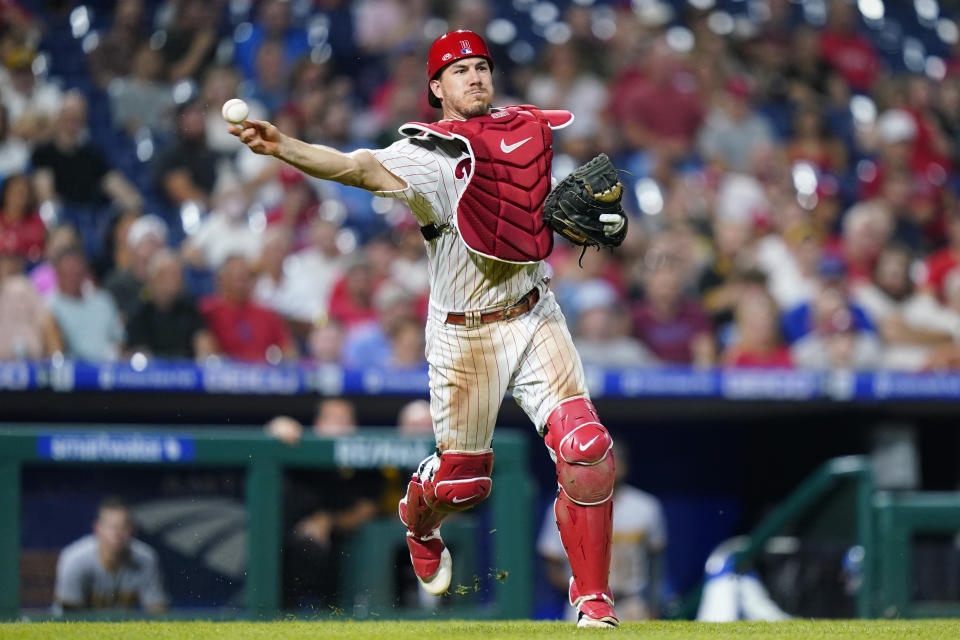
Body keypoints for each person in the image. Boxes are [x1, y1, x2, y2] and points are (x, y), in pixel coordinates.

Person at [230, 29, 626, 627]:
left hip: (535, 313)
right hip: (465, 335)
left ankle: (593, 602)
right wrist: (283, 145)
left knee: (588, 450)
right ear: (436, 88)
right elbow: (356, 166)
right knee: (464, 485)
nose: (474, 76)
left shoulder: (526, 127)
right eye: (458, 70)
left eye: (481, 66)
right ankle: (419, 520)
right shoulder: (429, 155)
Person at [538, 441, 667, 622]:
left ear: (625, 466)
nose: (608, 468)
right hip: (583, 603)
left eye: (615, 461)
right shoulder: (567, 506)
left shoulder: (646, 506)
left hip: (631, 603)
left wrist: (654, 606)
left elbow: (655, 562)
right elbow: (552, 563)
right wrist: (584, 593)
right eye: (599, 462)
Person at [53, 496, 167, 614]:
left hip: (122, 630)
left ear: (132, 529)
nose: (117, 534)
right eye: (111, 527)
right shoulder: (75, 559)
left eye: (123, 527)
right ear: (97, 529)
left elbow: (157, 611)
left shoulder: (146, 559)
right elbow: (69, 616)